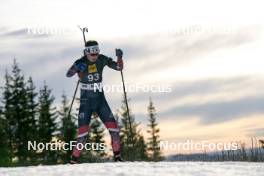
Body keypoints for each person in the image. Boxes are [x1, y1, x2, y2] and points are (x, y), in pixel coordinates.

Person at [66, 40, 123, 163]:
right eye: (92, 53)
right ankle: (73, 161)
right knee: (82, 135)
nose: (94, 56)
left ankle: (118, 158)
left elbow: (119, 68)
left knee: (114, 130)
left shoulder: (101, 59)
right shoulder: (80, 62)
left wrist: (119, 57)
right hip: (86, 101)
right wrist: (76, 69)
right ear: (86, 52)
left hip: (100, 100)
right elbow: (68, 74)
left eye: (96, 52)